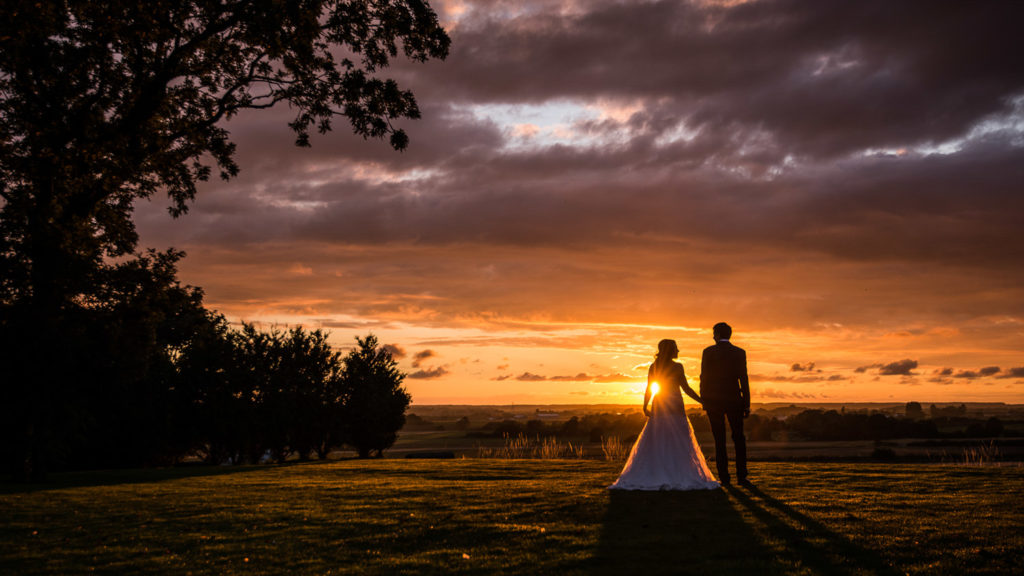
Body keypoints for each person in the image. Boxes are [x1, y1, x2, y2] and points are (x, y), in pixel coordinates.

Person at [609, 339, 720, 490]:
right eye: (675, 348)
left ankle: (658, 471)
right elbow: (686, 388)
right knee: (678, 441)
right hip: (674, 406)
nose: (678, 351)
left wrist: (645, 405)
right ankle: (677, 472)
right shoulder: (677, 367)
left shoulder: (654, 367)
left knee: (658, 440)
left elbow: (649, 388)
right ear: (670, 350)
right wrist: (701, 400)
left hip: (659, 406)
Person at [700, 322, 751, 486]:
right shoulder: (739, 352)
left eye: (713, 333)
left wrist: (704, 400)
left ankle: (724, 478)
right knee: (739, 438)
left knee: (719, 440)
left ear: (718, 334)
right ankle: (742, 477)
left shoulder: (708, 352)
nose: (712, 336)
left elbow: (704, 378)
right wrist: (747, 403)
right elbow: (743, 379)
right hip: (735, 400)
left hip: (714, 402)